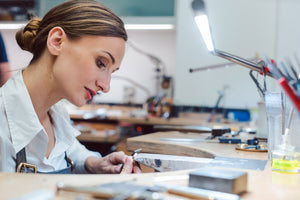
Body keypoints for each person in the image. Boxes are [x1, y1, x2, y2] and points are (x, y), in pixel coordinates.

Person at [0, 0, 141, 174]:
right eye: (100, 62)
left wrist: (94, 163)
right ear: (57, 41)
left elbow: (71, 151)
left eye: (112, 71)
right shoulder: (3, 124)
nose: (106, 86)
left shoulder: (56, 113)